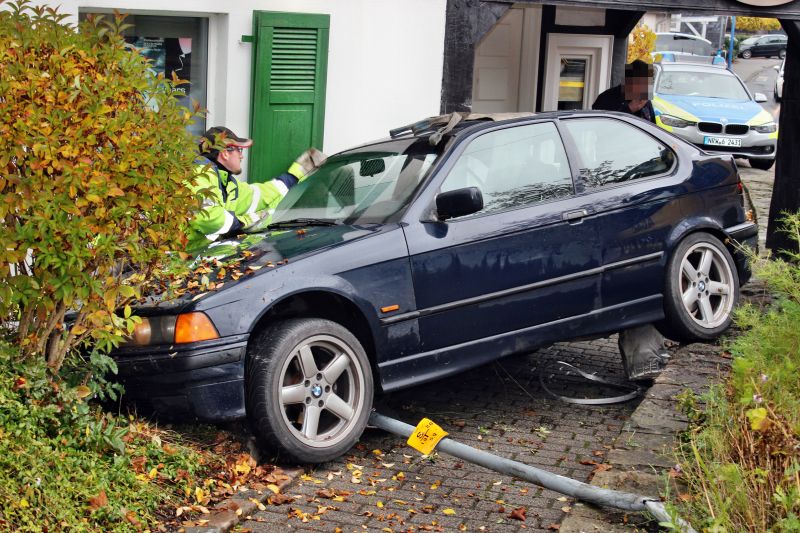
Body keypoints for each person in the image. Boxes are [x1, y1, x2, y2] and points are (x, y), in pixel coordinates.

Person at [187, 126, 326, 252]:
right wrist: (242, 223)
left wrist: (296, 174)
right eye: (239, 150)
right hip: (178, 260)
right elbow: (208, 218)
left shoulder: (228, 184)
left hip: (199, 255)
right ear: (225, 153)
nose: (241, 156)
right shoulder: (199, 175)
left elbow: (262, 194)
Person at [592, 59, 655, 123]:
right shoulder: (606, 98)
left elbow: (652, 127)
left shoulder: (645, 101)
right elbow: (600, 127)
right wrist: (630, 108)